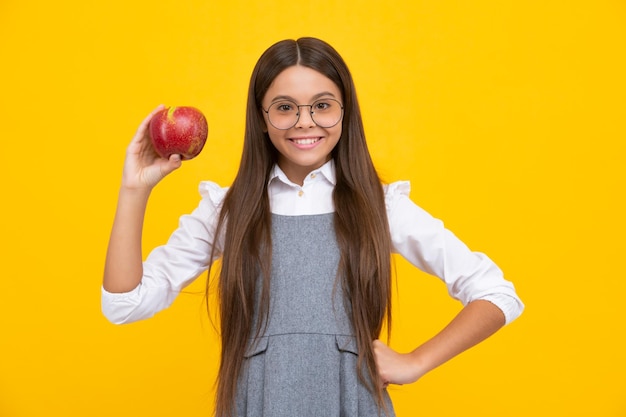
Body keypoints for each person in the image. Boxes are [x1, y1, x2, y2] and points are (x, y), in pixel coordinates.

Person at [102, 37, 524, 417]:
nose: (305, 122)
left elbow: (496, 293)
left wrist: (415, 362)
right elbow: (124, 304)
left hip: (352, 403)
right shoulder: (230, 209)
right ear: (262, 118)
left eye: (322, 105)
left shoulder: (381, 207)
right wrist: (134, 189)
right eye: (285, 107)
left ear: (345, 112)